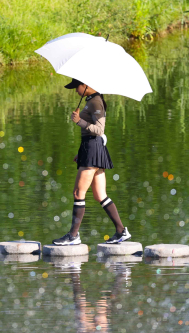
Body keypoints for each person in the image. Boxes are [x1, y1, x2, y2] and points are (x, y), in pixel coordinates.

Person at [53, 78, 131, 245]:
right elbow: (89, 134)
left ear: (86, 85)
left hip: (93, 149)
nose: (76, 91)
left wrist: (79, 121)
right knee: (100, 195)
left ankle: (73, 236)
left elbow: (99, 130)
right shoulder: (91, 101)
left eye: (77, 87)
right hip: (91, 149)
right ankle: (121, 231)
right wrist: (81, 153)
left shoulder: (96, 102)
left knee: (78, 193)